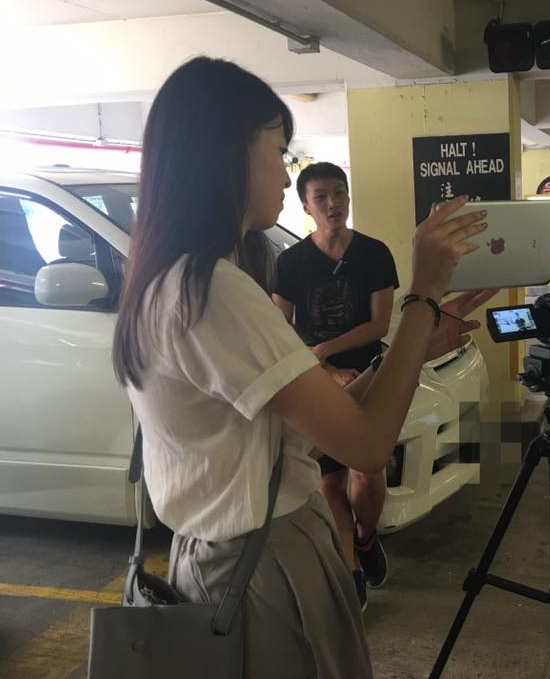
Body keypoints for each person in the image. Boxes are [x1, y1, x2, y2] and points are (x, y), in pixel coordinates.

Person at [112, 56, 493, 678]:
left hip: (227, 556)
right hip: (261, 564)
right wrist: (424, 291)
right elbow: (367, 446)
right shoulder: (213, 290)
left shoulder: (168, 280)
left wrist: (415, 347)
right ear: (229, 156)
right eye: (278, 153)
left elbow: (318, 430)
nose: (286, 177)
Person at [272, 161, 398, 606]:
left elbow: (379, 324)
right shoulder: (290, 262)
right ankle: (351, 574)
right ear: (306, 206)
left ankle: (365, 537)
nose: (332, 203)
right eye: (321, 196)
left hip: (369, 376)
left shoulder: (375, 253)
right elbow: (279, 329)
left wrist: (326, 350)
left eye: (339, 193)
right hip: (313, 384)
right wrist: (324, 370)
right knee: (329, 485)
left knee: (368, 474)